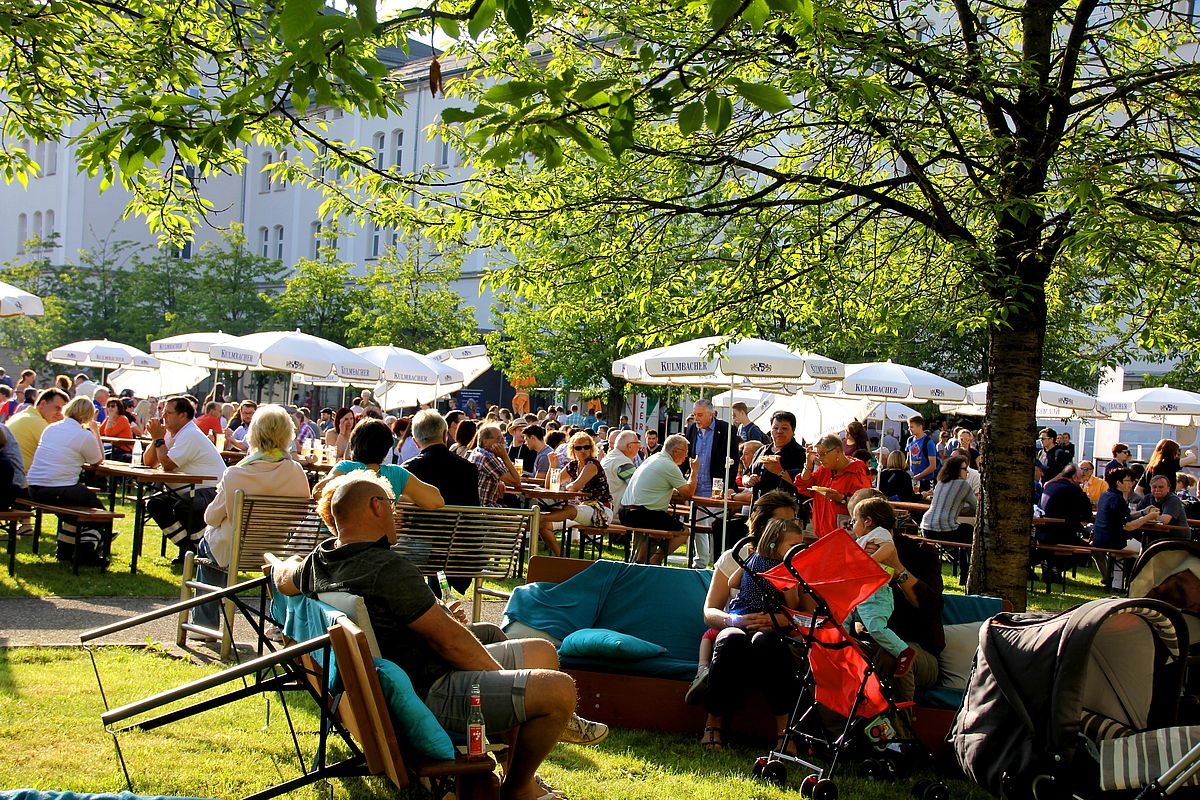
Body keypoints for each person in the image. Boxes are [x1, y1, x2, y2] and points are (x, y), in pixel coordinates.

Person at [269, 472, 609, 800]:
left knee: (540, 651)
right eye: (392, 504)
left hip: (410, 679)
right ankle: (518, 789)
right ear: (376, 505)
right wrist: (504, 678)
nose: (397, 513)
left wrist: (279, 564)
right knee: (558, 690)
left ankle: (523, 765)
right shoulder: (387, 568)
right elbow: (450, 642)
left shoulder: (319, 561)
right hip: (433, 690)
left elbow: (284, 577)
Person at [189, 404, 312, 632]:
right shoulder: (296, 472)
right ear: (288, 434)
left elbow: (211, 517)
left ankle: (205, 624)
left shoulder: (236, 473)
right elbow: (301, 515)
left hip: (235, 550)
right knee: (217, 544)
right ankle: (280, 624)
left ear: (253, 433)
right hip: (276, 551)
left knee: (208, 545)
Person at [698, 515, 805, 754]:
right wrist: (791, 588)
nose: (798, 550)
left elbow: (734, 581)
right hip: (749, 622)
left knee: (764, 641)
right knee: (731, 639)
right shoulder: (784, 571)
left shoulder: (751, 560)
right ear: (775, 544)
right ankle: (714, 722)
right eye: (793, 545)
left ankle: (783, 731)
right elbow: (793, 603)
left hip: (747, 616)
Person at [143, 395, 228, 562]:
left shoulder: (190, 434)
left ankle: (204, 550)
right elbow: (149, 462)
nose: (163, 416)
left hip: (212, 491)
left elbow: (168, 464)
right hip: (187, 490)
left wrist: (159, 439)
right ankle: (189, 548)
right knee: (155, 504)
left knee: (184, 507)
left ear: (183, 415)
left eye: (168, 413)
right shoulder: (171, 433)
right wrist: (156, 439)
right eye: (163, 412)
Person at [26, 396, 108, 565]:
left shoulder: (51, 428)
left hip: (34, 487)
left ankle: (65, 550)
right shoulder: (83, 435)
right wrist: (95, 430)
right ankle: (86, 551)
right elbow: (98, 460)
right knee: (100, 514)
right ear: (89, 415)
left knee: (75, 511)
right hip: (57, 488)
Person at [848, 498, 917, 676]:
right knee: (842, 617)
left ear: (867, 521)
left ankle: (904, 651)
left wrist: (870, 561)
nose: (852, 525)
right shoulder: (863, 539)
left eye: (854, 521)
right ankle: (840, 645)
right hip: (864, 592)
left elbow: (888, 548)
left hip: (877, 593)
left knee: (875, 625)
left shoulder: (880, 533)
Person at [314, 418, 445, 509]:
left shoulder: (345, 468)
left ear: (354, 444)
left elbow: (318, 491)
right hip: (380, 538)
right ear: (387, 448)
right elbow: (436, 501)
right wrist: (400, 497)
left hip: (344, 538)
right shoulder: (396, 474)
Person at [619, 433, 697, 564]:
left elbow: (655, 486)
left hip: (626, 512)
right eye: (685, 451)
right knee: (683, 532)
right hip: (641, 513)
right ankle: (655, 561)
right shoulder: (669, 465)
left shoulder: (654, 458)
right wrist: (694, 471)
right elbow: (688, 493)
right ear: (676, 450)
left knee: (658, 528)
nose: (686, 456)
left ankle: (640, 562)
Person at [537, 431, 613, 557]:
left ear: (591, 448)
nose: (583, 451)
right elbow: (549, 485)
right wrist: (553, 466)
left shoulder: (592, 464)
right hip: (582, 509)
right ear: (573, 450)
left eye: (586, 447)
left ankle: (538, 517)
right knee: (544, 526)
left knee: (569, 509)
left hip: (601, 511)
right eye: (578, 448)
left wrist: (568, 486)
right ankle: (561, 558)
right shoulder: (573, 465)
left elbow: (575, 487)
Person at [685, 399, 741, 567]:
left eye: (700, 415)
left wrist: (729, 486)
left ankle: (718, 562)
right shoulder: (692, 429)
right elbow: (687, 455)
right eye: (695, 414)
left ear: (711, 414)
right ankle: (700, 561)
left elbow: (734, 460)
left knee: (715, 524)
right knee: (698, 524)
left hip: (717, 485)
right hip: (697, 485)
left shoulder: (726, 429)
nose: (696, 418)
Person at [1091, 466, 1159, 590]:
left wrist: (1143, 512)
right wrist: (1149, 517)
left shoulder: (1106, 495)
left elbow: (1125, 517)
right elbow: (1128, 526)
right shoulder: (1118, 499)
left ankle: (1116, 584)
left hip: (1099, 539)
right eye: (1127, 480)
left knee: (1124, 552)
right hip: (1114, 541)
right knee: (1147, 552)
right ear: (1118, 483)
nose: (1131, 484)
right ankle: (1143, 585)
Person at [793, 433, 872, 538]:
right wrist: (808, 465)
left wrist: (842, 498)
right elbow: (804, 485)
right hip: (822, 535)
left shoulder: (857, 472)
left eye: (823, 454)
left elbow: (865, 505)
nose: (820, 459)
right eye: (818, 455)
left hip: (845, 537)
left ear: (837, 451)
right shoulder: (825, 469)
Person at [402, 410, 481, 507]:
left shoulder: (407, 470)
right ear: (445, 436)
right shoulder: (468, 468)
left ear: (416, 442)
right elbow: (473, 509)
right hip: (458, 517)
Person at [920, 455, 977, 578]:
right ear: (956, 470)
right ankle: (966, 574)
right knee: (970, 532)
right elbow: (976, 507)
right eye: (964, 469)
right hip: (944, 530)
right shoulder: (963, 485)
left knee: (965, 532)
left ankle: (962, 572)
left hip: (926, 527)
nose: (967, 472)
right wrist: (965, 509)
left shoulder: (941, 483)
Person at [742, 410, 805, 502]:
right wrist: (748, 480)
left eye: (784, 428)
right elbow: (746, 474)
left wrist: (780, 472)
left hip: (785, 507)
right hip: (759, 506)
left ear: (793, 431)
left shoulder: (801, 453)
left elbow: (804, 483)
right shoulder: (762, 451)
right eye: (775, 428)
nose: (779, 431)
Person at [8, 387, 69, 472]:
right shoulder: (38, 423)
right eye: (57, 408)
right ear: (43, 404)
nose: (60, 414)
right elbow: (62, 455)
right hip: (22, 477)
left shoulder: (22, 415)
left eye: (62, 411)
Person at [1038, 465, 1093, 550]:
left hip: (1041, 534)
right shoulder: (1073, 489)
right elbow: (1087, 514)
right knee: (1091, 550)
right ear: (1074, 477)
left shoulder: (1050, 486)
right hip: (1058, 537)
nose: (1081, 482)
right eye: (1080, 479)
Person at [467, 424, 523, 508]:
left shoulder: (477, 451)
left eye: (503, 438)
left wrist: (499, 482)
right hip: (485, 509)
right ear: (485, 442)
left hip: (476, 507)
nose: (503, 442)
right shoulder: (487, 458)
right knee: (526, 512)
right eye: (499, 439)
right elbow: (516, 482)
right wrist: (505, 457)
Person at [600, 429, 640, 518]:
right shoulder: (623, 463)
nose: (640, 446)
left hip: (604, 509)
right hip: (615, 513)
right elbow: (639, 487)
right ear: (630, 446)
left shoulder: (609, 457)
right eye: (638, 443)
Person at [905, 414, 939, 491]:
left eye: (911, 427)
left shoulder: (928, 442)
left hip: (926, 481)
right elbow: (908, 461)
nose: (909, 429)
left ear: (920, 427)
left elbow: (933, 466)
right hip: (913, 480)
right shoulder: (910, 440)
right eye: (909, 427)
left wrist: (917, 477)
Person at [99, 397, 136, 462]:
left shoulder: (123, 419)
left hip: (124, 450)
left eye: (113, 406)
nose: (110, 408)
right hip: (113, 449)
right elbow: (100, 432)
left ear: (118, 408)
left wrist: (110, 420)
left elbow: (109, 434)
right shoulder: (108, 418)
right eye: (108, 406)